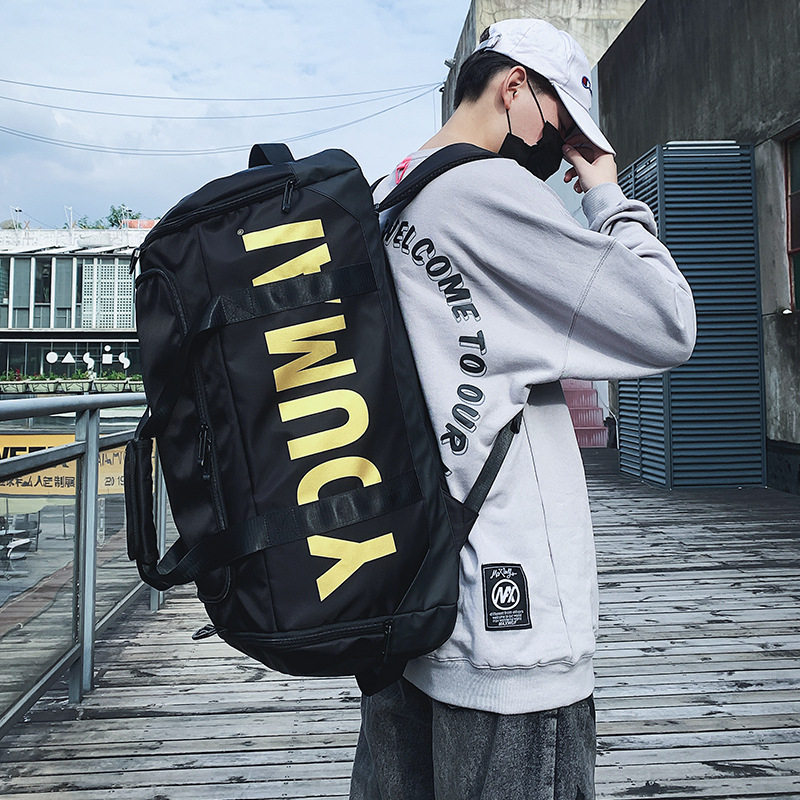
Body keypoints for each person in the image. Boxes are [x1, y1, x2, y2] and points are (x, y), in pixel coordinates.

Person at [352, 18, 696, 800]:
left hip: (409, 597)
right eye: (561, 125)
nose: (560, 152)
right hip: (508, 627)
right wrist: (606, 191)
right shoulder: (488, 192)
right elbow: (667, 322)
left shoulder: (387, 193)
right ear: (514, 88)